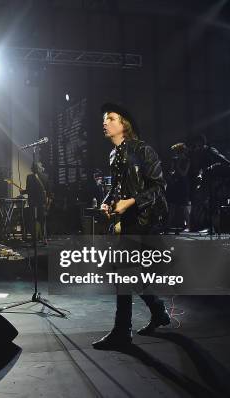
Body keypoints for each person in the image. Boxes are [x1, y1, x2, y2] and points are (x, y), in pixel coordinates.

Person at [92, 103, 170, 349]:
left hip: (144, 220)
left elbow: (159, 187)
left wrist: (131, 202)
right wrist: (107, 203)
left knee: (123, 271)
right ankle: (157, 312)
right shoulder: (114, 155)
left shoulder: (143, 150)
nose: (105, 123)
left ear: (124, 124)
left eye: (111, 118)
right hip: (126, 221)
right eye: (105, 119)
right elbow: (117, 187)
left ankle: (122, 331)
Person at [23, 161, 50, 242]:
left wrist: (22, 192)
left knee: (33, 221)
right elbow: (48, 191)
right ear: (39, 168)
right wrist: (48, 204)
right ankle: (44, 239)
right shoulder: (46, 177)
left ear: (33, 168)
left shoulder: (29, 177)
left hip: (33, 202)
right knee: (42, 221)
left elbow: (29, 190)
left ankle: (35, 239)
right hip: (42, 202)